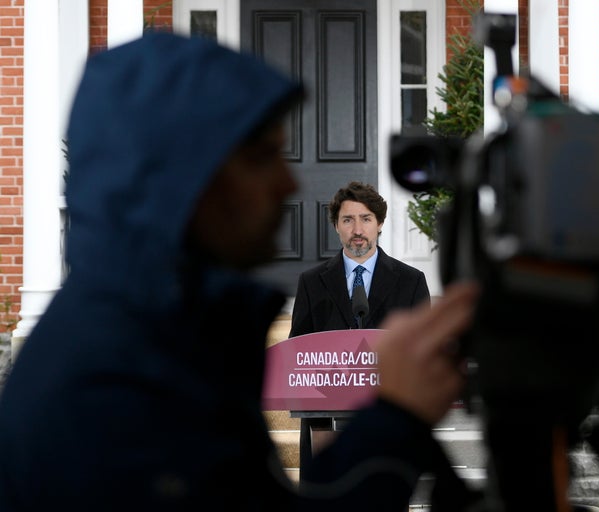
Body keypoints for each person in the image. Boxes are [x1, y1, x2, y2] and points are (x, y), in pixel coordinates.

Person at [0, 32, 479, 511]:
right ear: (180, 178)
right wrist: (395, 417)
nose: (289, 182)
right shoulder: (111, 391)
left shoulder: (175, 339)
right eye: (260, 158)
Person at [288, 181, 432, 479]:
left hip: (386, 422)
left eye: (366, 219)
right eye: (348, 219)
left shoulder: (411, 282)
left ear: (379, 224)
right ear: (337, 226)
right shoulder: (311, 282)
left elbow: (422, 354)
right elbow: (296, 353)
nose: (357, 229)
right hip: (324, 425)